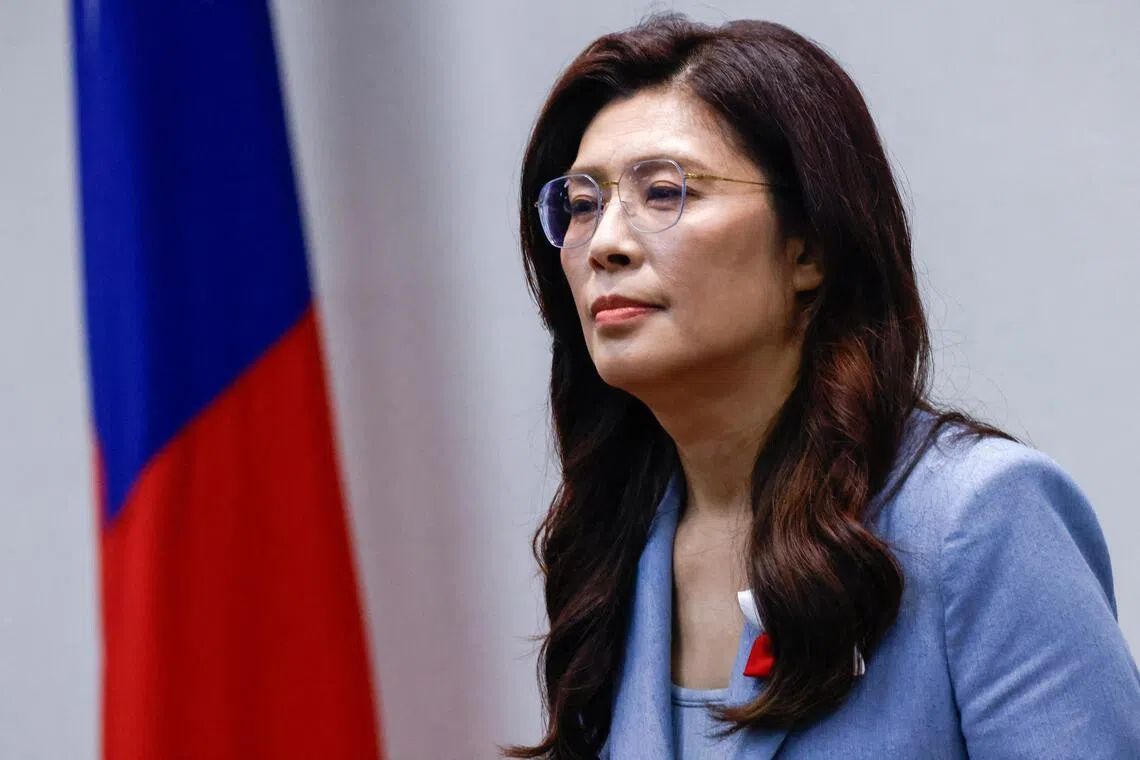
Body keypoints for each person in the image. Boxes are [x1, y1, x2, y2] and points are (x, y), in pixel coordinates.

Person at [503, 13, 1140, 760]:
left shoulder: (977, 519)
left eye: (665, 190)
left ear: (808, 246)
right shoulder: (617, 543)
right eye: (582, 204)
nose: (605, 242)